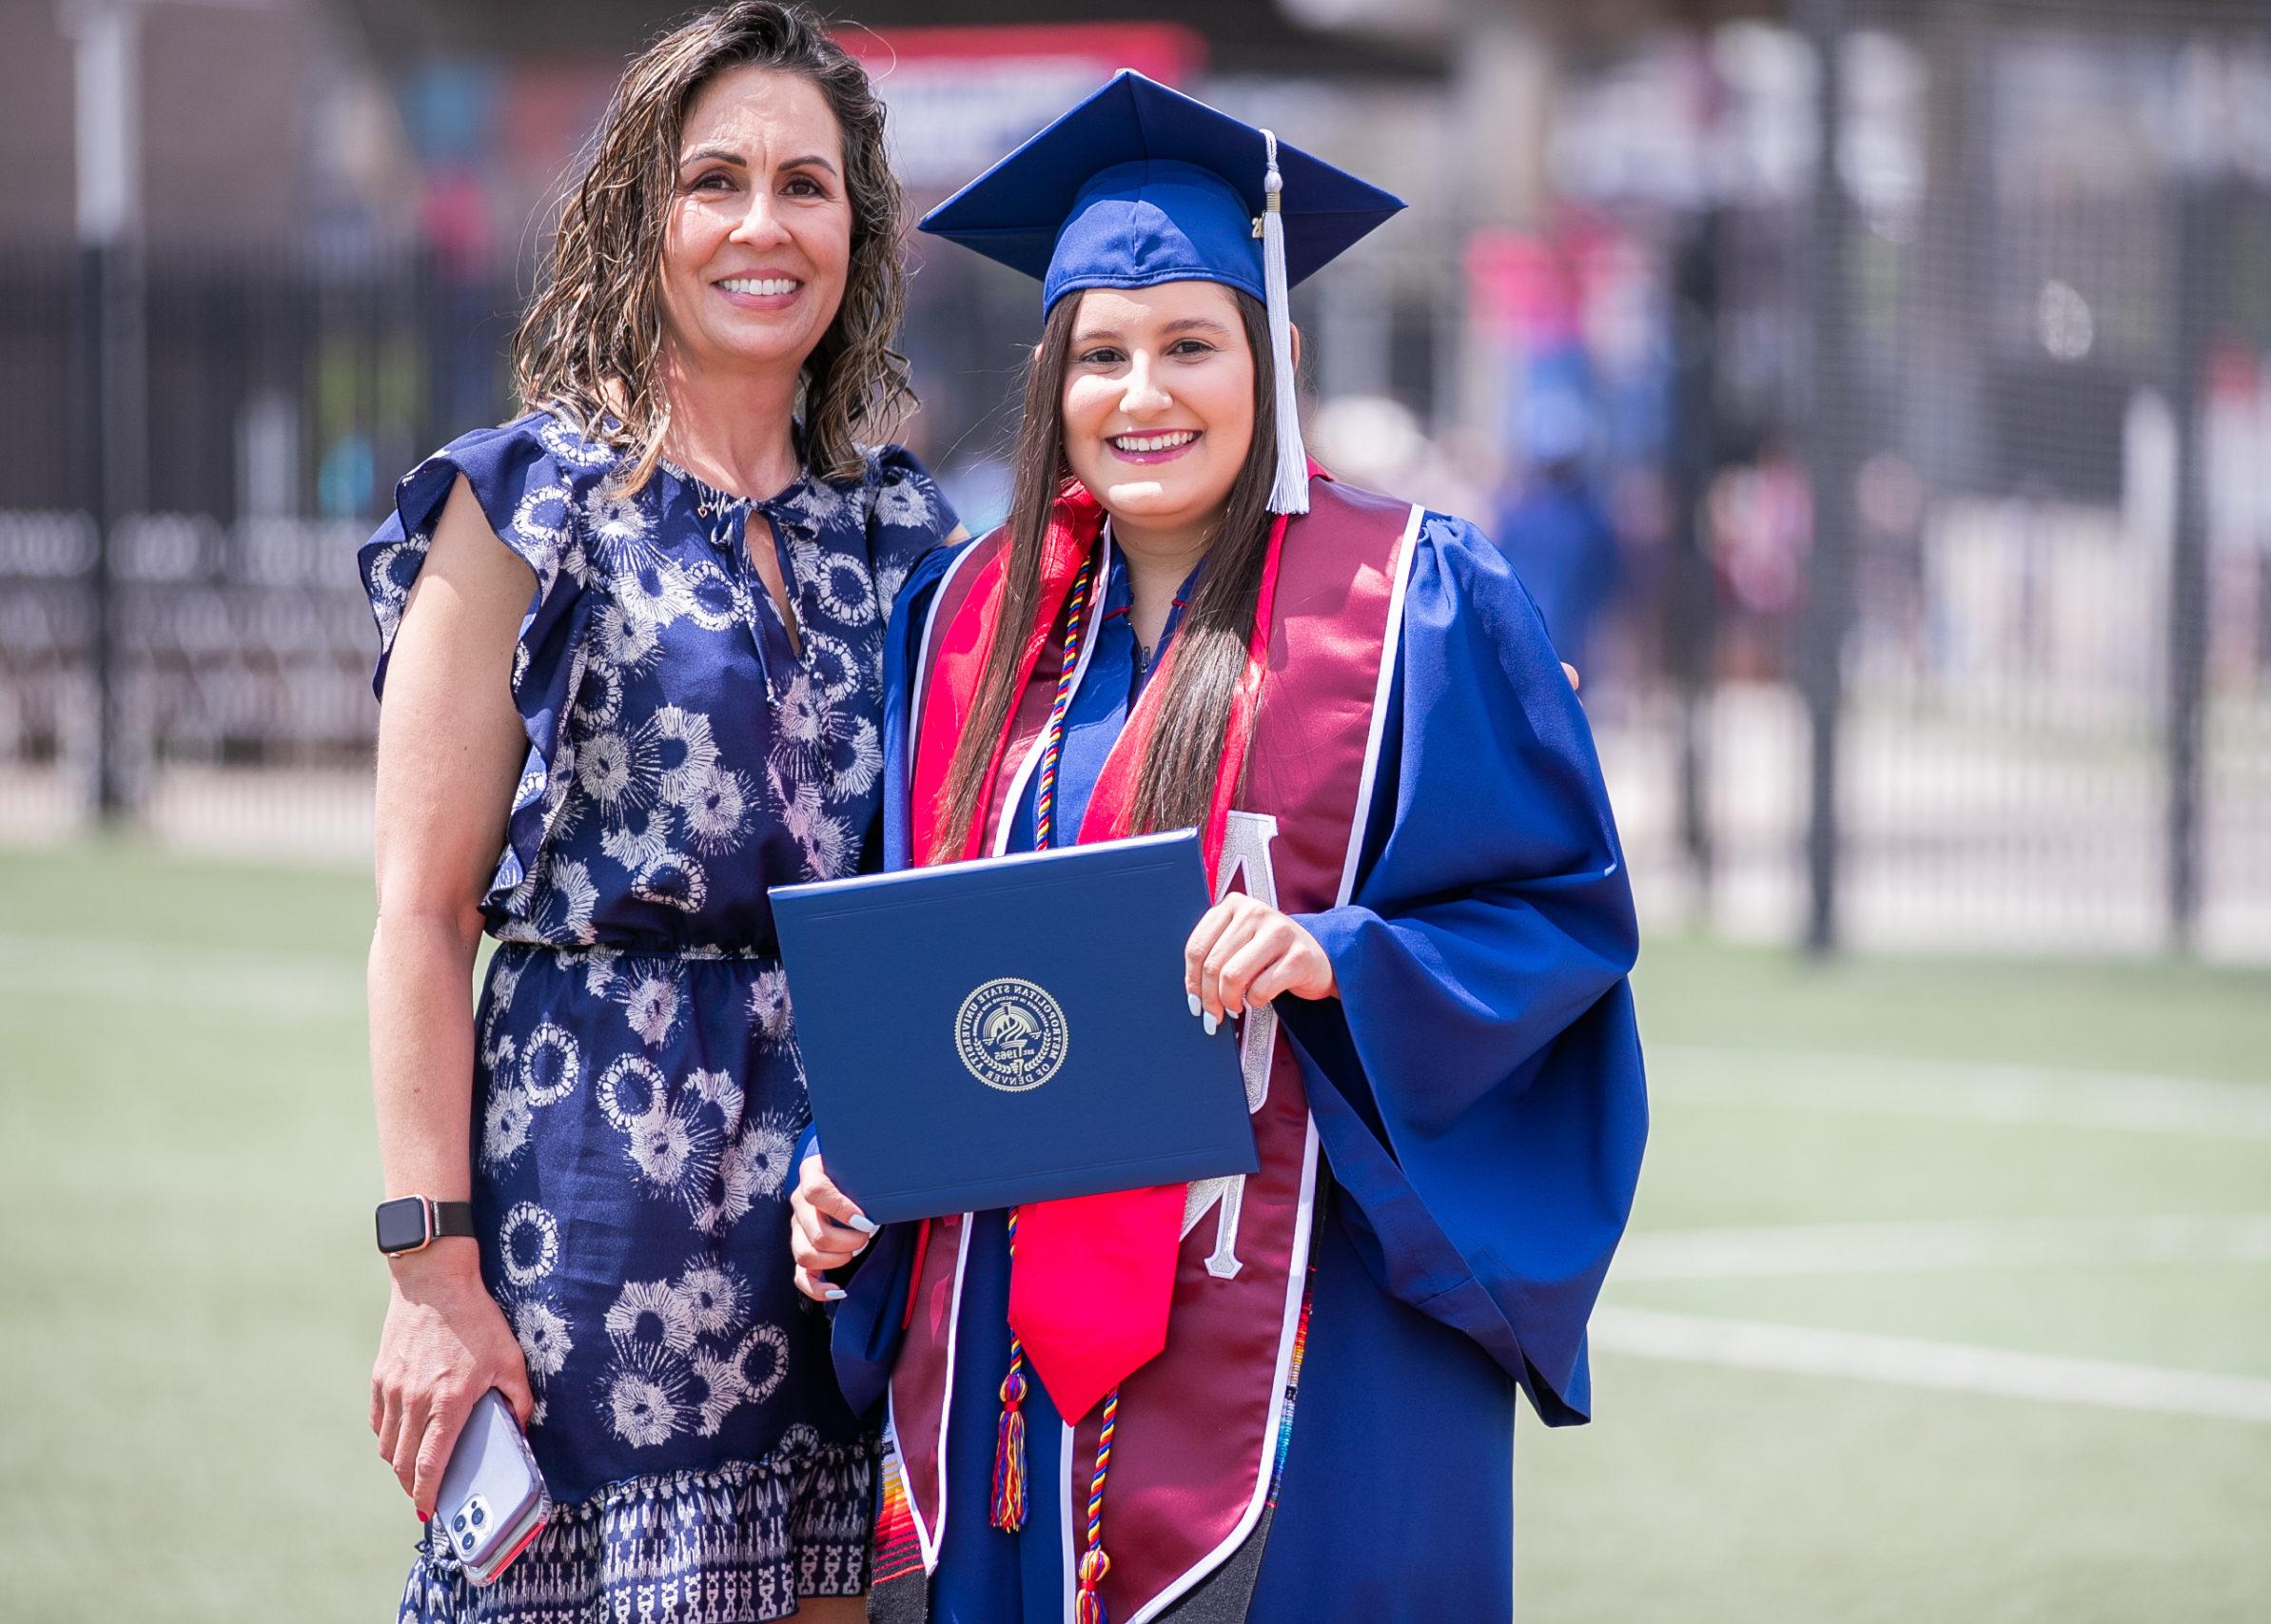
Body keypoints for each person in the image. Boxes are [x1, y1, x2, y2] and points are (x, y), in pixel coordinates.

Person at [789, 73, 1648, 1624]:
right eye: (1100, 356)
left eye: (1191, 344)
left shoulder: (1414, 607)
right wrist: (838, 1165)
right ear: (1052, 380)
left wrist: (1341, 955)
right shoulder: (960, 631)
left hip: (1311, 1325)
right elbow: (913, 968)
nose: (1143, 394)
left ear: (1279, 358)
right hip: (999, 1349)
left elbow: (1561, 930)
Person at [358, 7, 960, 1620]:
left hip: (846, 1229)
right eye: (716, 180)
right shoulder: (528, 509)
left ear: (859, 229)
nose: (764, 225)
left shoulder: (908, 537)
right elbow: (419, 915)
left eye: (807, 185)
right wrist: (429, 1273)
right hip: (594, 1234)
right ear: (644, 213)